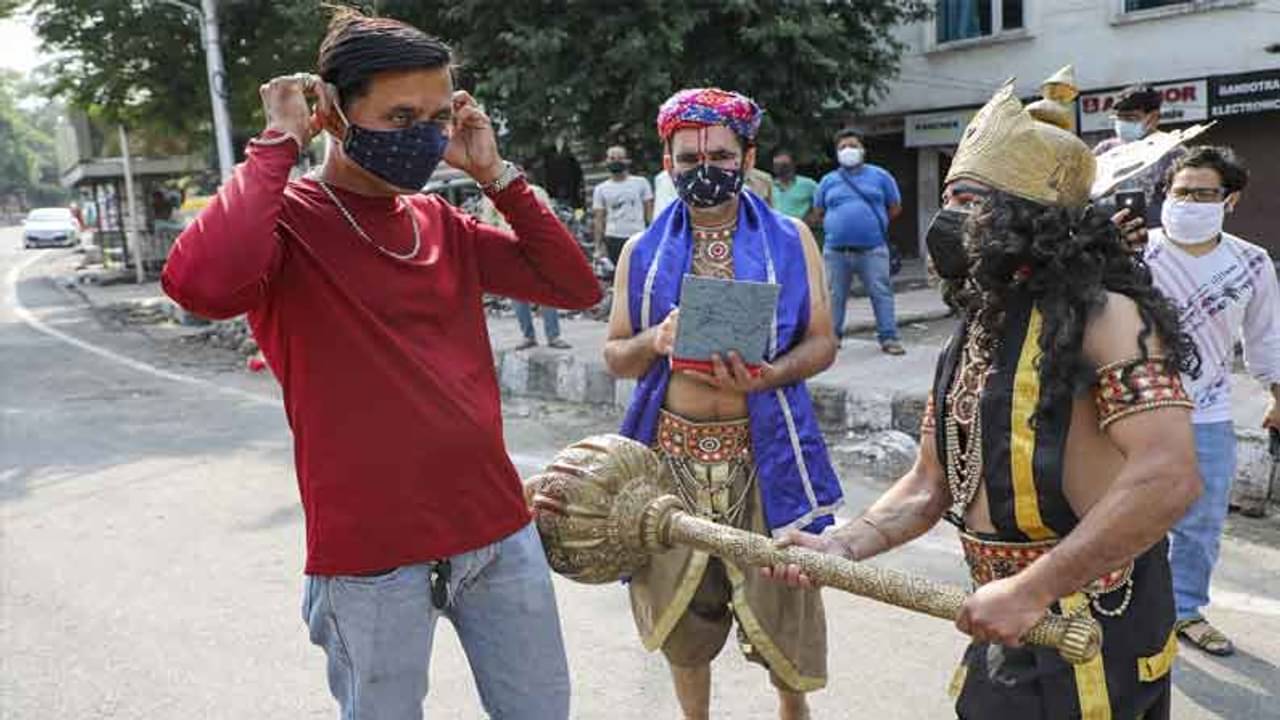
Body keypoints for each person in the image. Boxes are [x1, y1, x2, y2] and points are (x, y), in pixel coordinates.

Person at [160, 9, 601, 718]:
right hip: (371, 562)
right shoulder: (286, 222)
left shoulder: (438, 223)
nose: (424, 136)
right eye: (401, 117)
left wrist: (495, 174)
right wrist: (277, 143)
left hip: (497, 534)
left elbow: (572, 287)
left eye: (436, 115)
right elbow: (199, 286)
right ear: (334, 111)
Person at [766, 83, 1203, 719]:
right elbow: (929, 483)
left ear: (1036, 220)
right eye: (949, 200)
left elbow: (1169, 478)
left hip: (1094, 627)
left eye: (972, 203)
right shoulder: (976, 327)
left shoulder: (1110, 318)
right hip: (1005, 615)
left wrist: (1035, 587)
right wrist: (844, 546)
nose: (950, 221)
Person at [602, 87, 842, 720]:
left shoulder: (791, 239)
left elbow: (822, 344)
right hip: (670, 461)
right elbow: (615, 355)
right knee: (684, 634)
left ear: (748, 156)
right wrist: (656, 339)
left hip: (764, 462)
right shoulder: (642, 251)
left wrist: (768, 376)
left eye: (720, 156)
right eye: (687, 159)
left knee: (783, 616)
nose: (703, 170)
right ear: (667, 161)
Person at [1144, 145, 1280, 657]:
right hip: (1129, 409)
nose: (1190, 202)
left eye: (1204, 194)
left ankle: (1183, 610)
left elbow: (1267, 338)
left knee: (1200, 521)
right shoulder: (1135, 253)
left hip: (1209, 410)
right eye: (1181, 192)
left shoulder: (1249, 262)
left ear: (1231, 200)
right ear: (1165, 195)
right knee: (1123, 512)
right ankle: (1124, 610)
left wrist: (1277, 395)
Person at [813, 128, 905, 354]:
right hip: (836, 251)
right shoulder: (828, 181)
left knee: (881, 292)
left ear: (863, 150)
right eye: (842, 147)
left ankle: (889, 338)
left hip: (872, 248)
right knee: (834, 296)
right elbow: (819, 211)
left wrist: (871, 225)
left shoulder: (880, 176)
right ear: (836, 153)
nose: (848, 150)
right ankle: (832, 338)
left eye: (852, 145)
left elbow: (895, 207)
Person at [472, 176, 572, 350]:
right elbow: (487, 223)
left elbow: (550, 218)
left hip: (537, 246)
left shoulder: (535, 191)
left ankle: (553, 336)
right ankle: (528, 336)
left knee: (546, 290)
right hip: (509, 247)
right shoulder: (492, 195)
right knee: (518, 294)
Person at [1094, 84, 1186, 246]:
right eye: (1119, 118)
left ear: (1154, 117)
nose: (1123, 124)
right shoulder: (1105, 150)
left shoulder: (1172, 152)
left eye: (1130, 118)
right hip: (1111, 240)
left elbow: (1183, 202)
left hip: (1157, 241)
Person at [592, 145, 653, 267]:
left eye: (620, 158)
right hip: (613, 238)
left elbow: (649, 213)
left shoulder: (641, 183)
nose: (616, 161)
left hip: (637, 235)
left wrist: (653, 236)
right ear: (607, 161)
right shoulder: (600, 189)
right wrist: (598, 246)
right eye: (612, 158)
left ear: (627, 160)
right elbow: (599, 219)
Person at [770, 149, 819, 227]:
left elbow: (823, 201)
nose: (779, 167)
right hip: (775, 230)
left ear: (793, 165)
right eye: (776, 164)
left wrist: (813, 218)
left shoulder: (808, 184)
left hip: (799, 231)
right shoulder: (769, 185)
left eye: (784, 164)